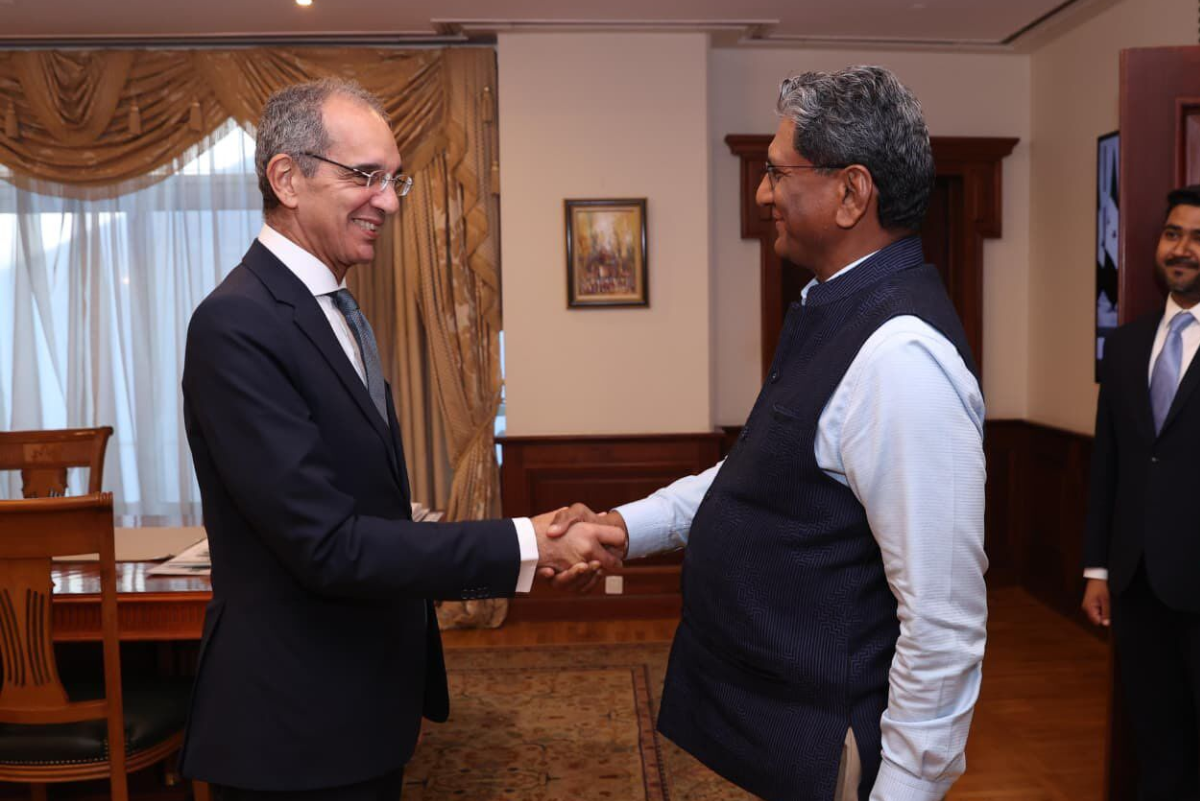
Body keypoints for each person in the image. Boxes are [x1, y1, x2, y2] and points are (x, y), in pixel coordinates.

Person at [545, 66, 987, 800]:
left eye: (779, 173)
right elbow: (760, 473)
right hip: (778, 730)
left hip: (832, 744)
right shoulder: (833, 309)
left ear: (852, 193)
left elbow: (943, 623)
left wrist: (906, 789)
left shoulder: (902, 357)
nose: (761, 193)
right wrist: (626, 527)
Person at [178, 79, 624, 800]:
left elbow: (367, 505)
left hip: (358, 700)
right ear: (287, 178)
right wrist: (529, 543)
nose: (388, 201)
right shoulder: (237, 324)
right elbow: (328, 545)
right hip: (292, 723)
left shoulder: (332, 309)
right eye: (365, 176)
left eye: (394, 179)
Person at [1082, 184, 1200, 798]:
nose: (1182, 249)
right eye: (1173, 234)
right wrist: (1097, 570)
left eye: (1198, 238)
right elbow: (1108, 463)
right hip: (1136, 585)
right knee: (1156, 743)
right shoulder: (1127, 345)